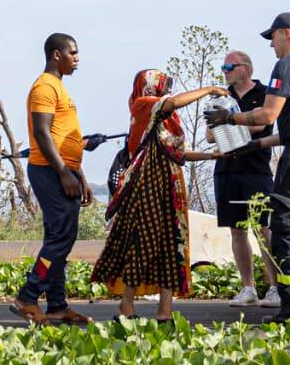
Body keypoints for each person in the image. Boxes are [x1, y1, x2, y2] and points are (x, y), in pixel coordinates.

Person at [205, 12, 290, 321]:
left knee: (283, 227)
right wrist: (255, 145)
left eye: (273, 39)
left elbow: (266, 116)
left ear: (286, 33)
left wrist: (229, 119)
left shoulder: (287, 65)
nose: (272, 46)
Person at [91, 69, 224, 320]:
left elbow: (179, 153)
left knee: (171, 245)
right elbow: (172, 102)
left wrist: (211, 155)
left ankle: (165, 310)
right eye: (163, 86)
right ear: (150, 88)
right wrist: (208, 89)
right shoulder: (143, 105)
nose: (168, 91)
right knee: (140, 244)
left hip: (170, 188)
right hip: (146, 187)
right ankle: (126, 306)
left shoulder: (167, 120)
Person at [11, 34, 92, 325]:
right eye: (73, 52)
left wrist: (78, 174)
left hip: (63, 171)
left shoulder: (58, 87)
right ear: (56, 55)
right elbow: (42, 133)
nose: (77, 58)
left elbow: (63, 137)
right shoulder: (44, 86)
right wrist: (62, 173)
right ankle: (28, 297)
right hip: (49, 171)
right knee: (60, 239)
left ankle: (57, 305)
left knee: (59, 240)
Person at [205, 49, 279, 307]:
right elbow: (211, 136)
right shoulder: (221, 98)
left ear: (245, 68)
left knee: (265, 229)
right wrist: (236, 125)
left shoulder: (265, 94)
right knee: (237, 230)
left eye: (229, 68)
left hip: (256, 170)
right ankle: (248, 288)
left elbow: (261, 125)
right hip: (226, 170)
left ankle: (275, 287)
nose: (224, 73)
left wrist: (230, 123)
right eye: (223, 69)